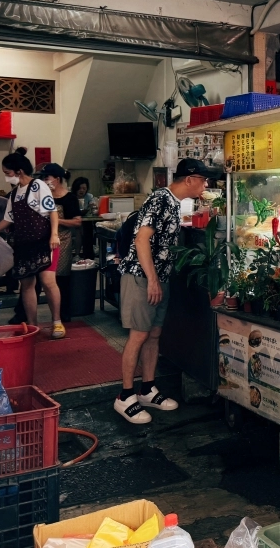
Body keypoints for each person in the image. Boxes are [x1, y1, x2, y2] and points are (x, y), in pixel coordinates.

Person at [114, 158, 217, 424]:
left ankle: (147, 389)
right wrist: (151, 280)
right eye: (203, 180)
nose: (205, 185)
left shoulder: (174, 202)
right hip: (141, 278)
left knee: (154, 334)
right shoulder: (160, 199)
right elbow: (141, 239)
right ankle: (125, 396)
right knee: (138, 335)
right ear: (190, 179)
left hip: (159, 279)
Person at [0, 148, 65, 339]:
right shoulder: (14, 194)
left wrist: (54, 235)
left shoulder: (38, 186)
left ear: (19, 171)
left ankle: (57, 322)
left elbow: (52, 211)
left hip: (44, 242)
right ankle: (32, 324)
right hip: (23, 245)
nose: (7, 177)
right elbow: (8, 219)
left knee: (48, 282)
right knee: (27, 285)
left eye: (8, 173)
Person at [38, 164, 83, 326]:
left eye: (47, 178)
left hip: (61, 243)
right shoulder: (42, 196)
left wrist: (55, 220)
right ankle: (26, 317)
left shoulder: (68, 198)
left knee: (61, 280)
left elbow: (77, 222)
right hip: (42, 242)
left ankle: (63, 315)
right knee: (37, 280)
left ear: (57, 179)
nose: (44, 181)